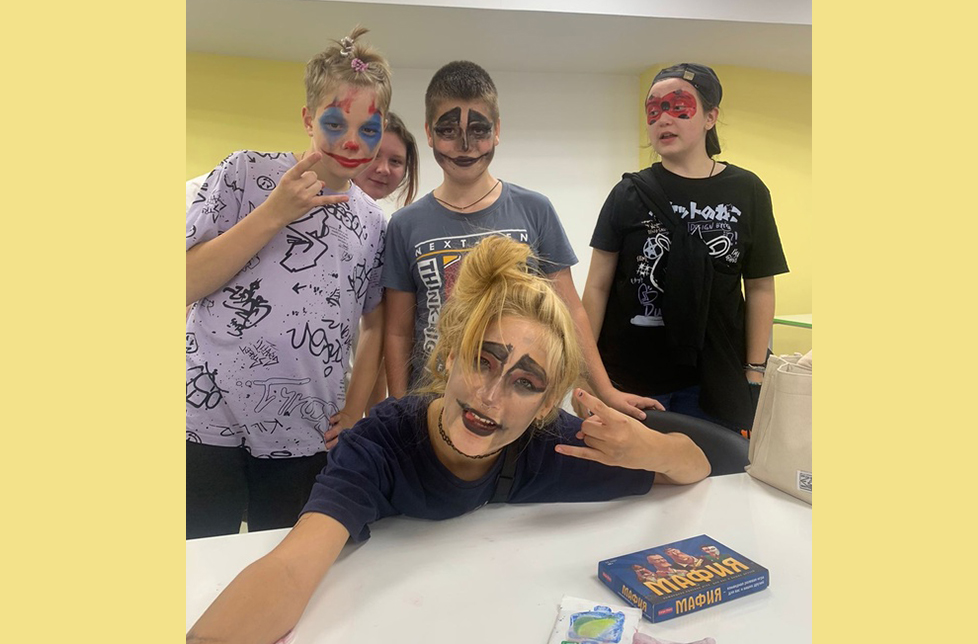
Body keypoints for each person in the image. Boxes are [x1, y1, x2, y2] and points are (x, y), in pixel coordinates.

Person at [186, 236, 710, 644]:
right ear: (451, 355)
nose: (491, 398)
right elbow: (289, 568)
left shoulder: (550, 444)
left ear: (548, 403)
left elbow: (695, 467)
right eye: (482, 361)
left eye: (525, 383)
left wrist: (647, 448)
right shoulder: (380, 446)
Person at [185, 26, 391, 539]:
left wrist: (356, 407)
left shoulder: (373, 222)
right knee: (193, 563)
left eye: (368, 128)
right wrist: (275, 211)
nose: (351, 141)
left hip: (305, 431)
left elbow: (375, 323)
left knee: (282, 560)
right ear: (307, 118)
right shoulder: (244, 175)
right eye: (335, 123)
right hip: (204, 419)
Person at [382, 60, 662, 422]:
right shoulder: (405, 225)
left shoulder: (534, 210)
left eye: (479, 130)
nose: (465, 146)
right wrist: (401, 410)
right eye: (448, 130)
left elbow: (570, 310)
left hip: (517, 407)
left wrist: (605, 390)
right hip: (433, 407)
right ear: (429, 133)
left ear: (497, 130)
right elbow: (398, 331)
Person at [582, 62, 788, 435]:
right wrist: (586, 375)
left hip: (714, 380)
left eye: (678, 107)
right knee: (629, 470)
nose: (663, 119)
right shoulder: (627, 193)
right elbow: (596, 287)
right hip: (630, 380)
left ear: (711, 117)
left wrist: (754, 371)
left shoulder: (748, 191)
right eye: (653, 110)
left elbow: (760, 286)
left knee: (713, 468)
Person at [346, 111, 420, 423]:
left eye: (396, 161)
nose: (383, 169)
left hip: (339, 398)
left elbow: (376, 328)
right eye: (375, 155)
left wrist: (367, 420)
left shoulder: (380, 228)